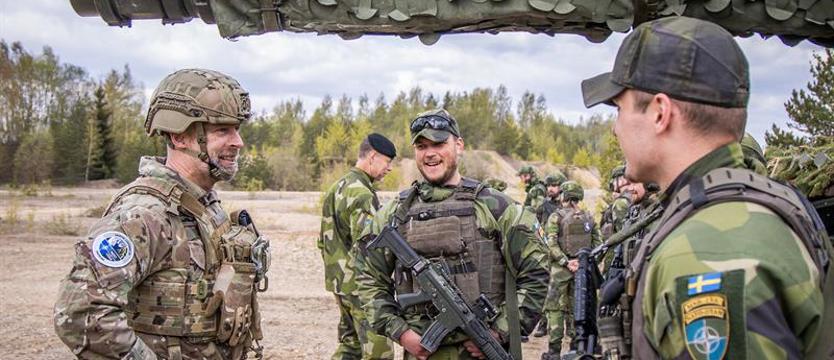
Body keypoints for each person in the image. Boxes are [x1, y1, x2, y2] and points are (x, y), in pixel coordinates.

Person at [581, 16, 833, 359]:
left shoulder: (709, 252)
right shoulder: (752, 203)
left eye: (619, 109)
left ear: (659, 113)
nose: (615, 129)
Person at [54, 68, 271, 359]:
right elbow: (80, 312)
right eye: (223, 130)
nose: (238, 141)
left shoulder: (204, 207)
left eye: (237, 129)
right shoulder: (144, 215)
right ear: (180, 136)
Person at [354, 108, 550, 360]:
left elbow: (536, 272)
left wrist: (500, 331)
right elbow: (367, 276)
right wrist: (401, 333)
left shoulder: (497, 207)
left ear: (458, 145)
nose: (430, 153)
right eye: (422, 146)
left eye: (439, 143)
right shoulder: (395, 213)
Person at [319, 133, 397, 360]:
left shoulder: (338, 186)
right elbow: (371, 246)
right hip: (360, 286)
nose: (389, 168)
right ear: (372, 157)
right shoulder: (362, 193)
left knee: (350, 346)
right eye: (387, 161)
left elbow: (323, 240)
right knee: (379, 352)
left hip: (339, 282)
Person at [540, 181, 601, 360]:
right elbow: (598, 244)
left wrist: (565, 262)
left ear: (564, 195)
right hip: (581, 271)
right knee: (578, 308)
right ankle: (577, 349)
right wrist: (584, 262)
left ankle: (553, 353)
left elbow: (550, 243)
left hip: (560, 271)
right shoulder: (589, 217)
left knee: (555, 310)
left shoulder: (555, 217)